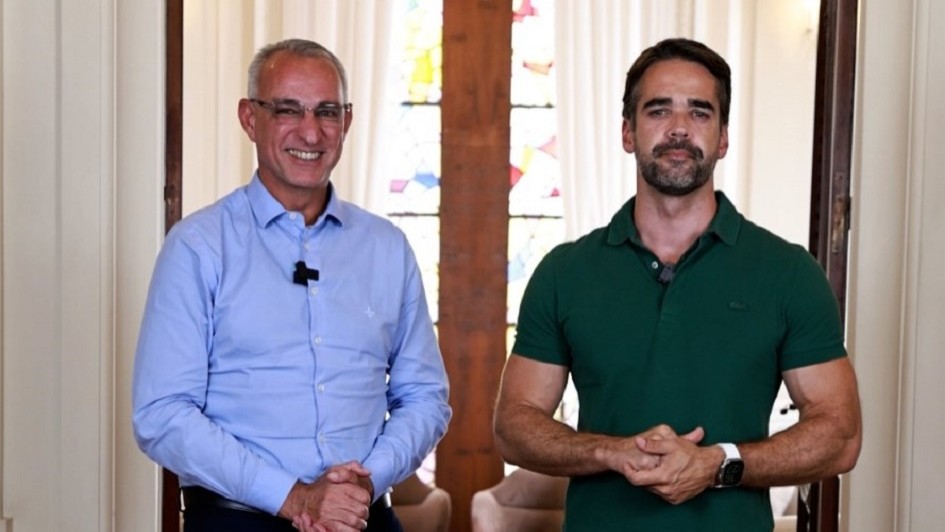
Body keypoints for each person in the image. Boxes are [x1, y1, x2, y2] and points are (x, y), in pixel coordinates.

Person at [493, 38, 862, 531]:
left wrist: (719, 463)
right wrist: (610, 450)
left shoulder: (788, 272)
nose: (680, 128)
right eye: (659, 110)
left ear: (724, 138)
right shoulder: (566, 272)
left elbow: (841, 435)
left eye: (701, 113)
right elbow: (514, 425)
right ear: (628, 131)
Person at [132, 38, 451, 532]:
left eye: (327, 111)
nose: (311, 131)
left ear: (346, 121)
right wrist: (295, 498)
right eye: (287, 109)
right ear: (249, 118)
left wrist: (366, 482)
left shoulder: (388, 248)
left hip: (363, 519)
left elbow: (426, 397)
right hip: (236, 521)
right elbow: (162, 414)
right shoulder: (198, 247)